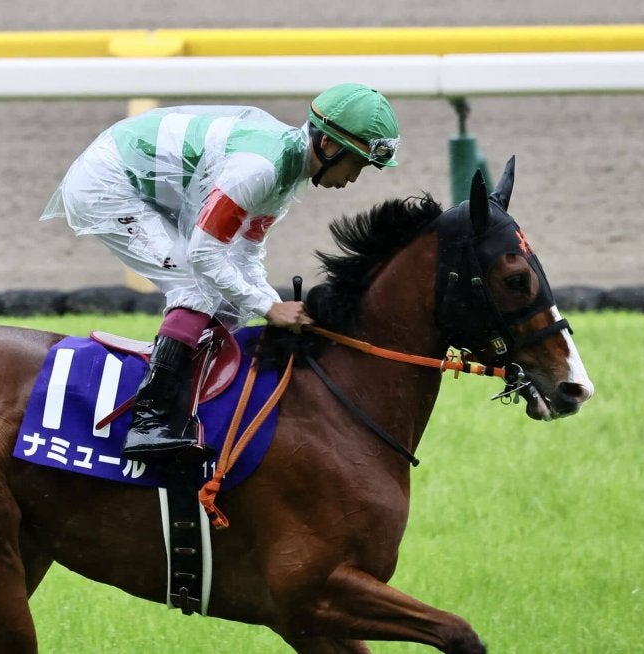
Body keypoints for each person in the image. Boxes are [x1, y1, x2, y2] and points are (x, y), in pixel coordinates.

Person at [41, 82, 400, 463]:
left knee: (234, 302)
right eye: (356, 163)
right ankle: (150, 420)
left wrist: (271, 305)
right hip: (109, 184)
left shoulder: (286, 171)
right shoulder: (259, 170)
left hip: (144, 181)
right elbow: (204, 253)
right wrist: (270, 307)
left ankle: (193, 396)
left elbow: (245, 255)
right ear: (328, 145)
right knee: (196, 289)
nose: (354, 177)